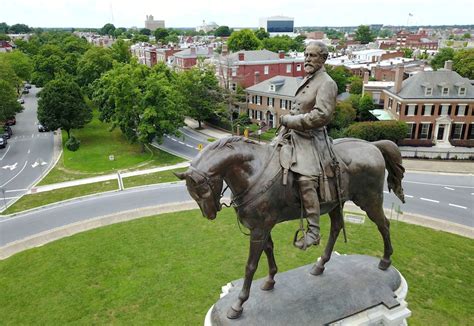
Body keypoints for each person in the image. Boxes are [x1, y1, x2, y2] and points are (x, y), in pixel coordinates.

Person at [279, 41, 338, 250]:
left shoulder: (327, 83)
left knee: (306, 179)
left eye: (312, 56)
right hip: (291, 134)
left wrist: (291, 121)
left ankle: (313, 231)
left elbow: (322, 115)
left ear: (323, 59)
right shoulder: (308, 79)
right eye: (306, 55)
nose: (307, 59)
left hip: (311, 139)